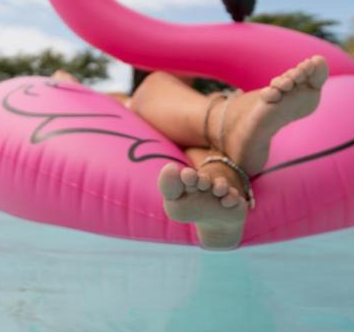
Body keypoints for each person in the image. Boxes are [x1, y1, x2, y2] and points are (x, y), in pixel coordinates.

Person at [52, 56, 329, 250]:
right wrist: (69, 84)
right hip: (147, 130)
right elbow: (84, 107)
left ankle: (218, 200)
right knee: (155, 88)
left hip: (194, 152)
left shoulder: (208, 96)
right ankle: (227, 131)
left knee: (203, 164)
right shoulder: (126, 97)